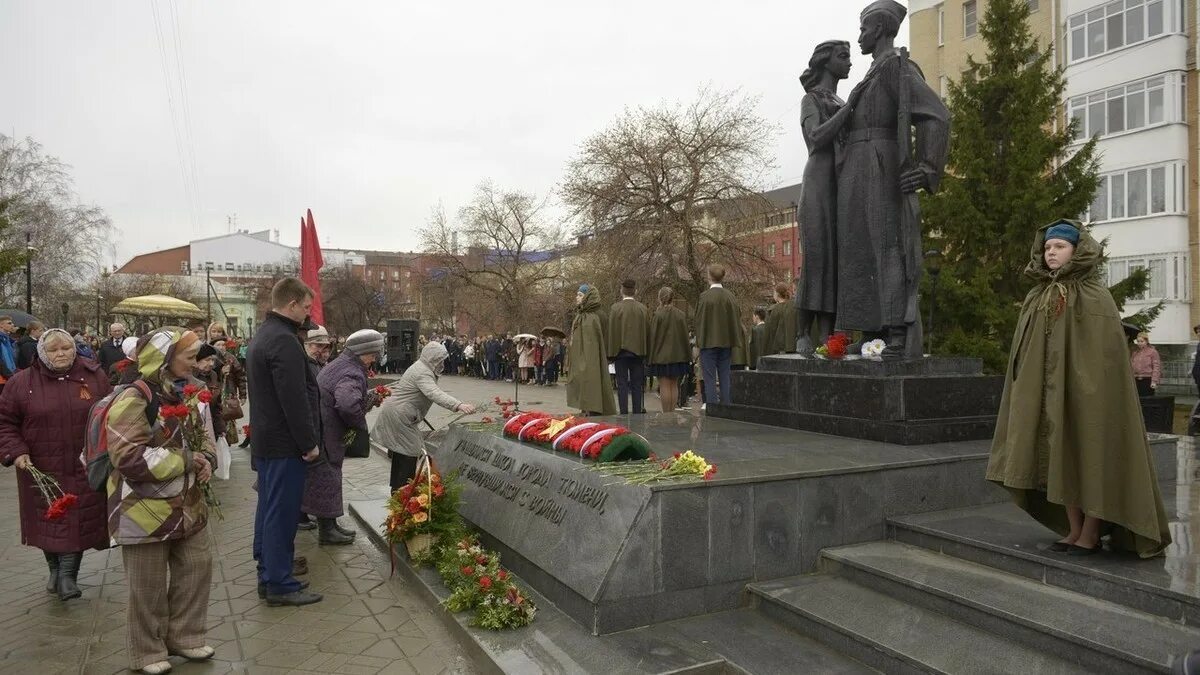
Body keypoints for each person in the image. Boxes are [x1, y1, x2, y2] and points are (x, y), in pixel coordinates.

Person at [987, 220, 1171, 558]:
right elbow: (1026, 352)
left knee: (1091, 454)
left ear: (1076, 250)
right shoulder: (1037, 296)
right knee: (1061, 457)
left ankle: (1091, 531)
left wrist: (1085, 387)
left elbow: (1105, 356)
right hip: (1048, 394)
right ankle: (1074, 529)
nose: (1052, 253)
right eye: (1047, 247)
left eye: (1060, 246)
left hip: (1089, 395)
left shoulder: (1095, 296)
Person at [837, 0, 949, 358]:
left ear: (881, 29)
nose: (859, 37)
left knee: (886, 245)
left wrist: (928, 166)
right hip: (858, 167)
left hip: (880, 164)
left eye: (864, 30)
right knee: (861, 249)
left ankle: (896, 332)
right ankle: (871, 330)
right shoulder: (873, 73)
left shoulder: (896, 69)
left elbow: (936, 114)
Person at [107, 328, 218, 674]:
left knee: (196, 569)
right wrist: (187, 460)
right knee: (147, 585)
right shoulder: (133, 398)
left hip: (188, 504)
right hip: (142, 510)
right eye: (189, 356)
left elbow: (207, 437)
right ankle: (146, 651)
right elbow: (127, 458)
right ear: (165, 360)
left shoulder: (194, 391)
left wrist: (208, 461)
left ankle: (185, 636)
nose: (197, 362)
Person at [0, 329, 112, 601]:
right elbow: (5, 423)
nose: (61, 354)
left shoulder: (94, 376)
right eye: (54, 350)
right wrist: (16, 451)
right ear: (41, 352)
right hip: (39, 468)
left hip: (83, 465)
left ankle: (67, 578)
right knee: (49, 520)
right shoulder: (21, 382)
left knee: (78, 519)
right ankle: (55, 570)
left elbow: (111, 413)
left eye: (66, 348)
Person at [246, 278, 322, 607]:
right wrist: (309, 443)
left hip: (267, 441)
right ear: (291, 305)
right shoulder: (285, 342)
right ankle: (279, 582)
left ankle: (268, 572)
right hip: (284, 445)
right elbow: (294, 399)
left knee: (268, 509)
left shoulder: (264, 335)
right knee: (282, 512)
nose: (308, 314)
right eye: (305, 307)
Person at [796, 40, 854, 354]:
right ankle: (803, 331)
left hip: (839, 186)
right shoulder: (811, 99)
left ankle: (828, 337)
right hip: (817, 184)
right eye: (843, 56)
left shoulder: (841, 99)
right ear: (826, 62)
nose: (849, 62)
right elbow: (815, 138)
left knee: (836, 261)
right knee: (816, 258)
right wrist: (848, 110)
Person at [307, 329, 384, 545]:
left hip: (321, 429)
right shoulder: (352, 371)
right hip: (327, 432)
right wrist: (359, 424)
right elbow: (347, 405)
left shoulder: (341, 364)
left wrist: (367, 399)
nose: (374, 358)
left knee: (327, 479)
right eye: (372, 353)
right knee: (328, 479)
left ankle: (330, 526)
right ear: (362, 352)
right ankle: (327, 532)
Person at [375, 342, 475, 491]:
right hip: (401, 418)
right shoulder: (422, 372)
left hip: (401, 416)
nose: (442, 363)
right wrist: (458, 405)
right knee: (408, 454)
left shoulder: (421, 367)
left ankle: (398, 491)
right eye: (439, 360)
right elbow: (433, 393)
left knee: (401, 454)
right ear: (432, 358)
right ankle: (403, 493)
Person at [298, 326, 331, 532]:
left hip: (316, 425)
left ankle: (302, 512)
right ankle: (299, 513)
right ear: (307, 345)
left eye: (324, 346)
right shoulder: (306, 365)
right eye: (318, 345)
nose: (321, 349)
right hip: (308, 428)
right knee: (305, 474)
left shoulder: (316, 364)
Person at [695, 264, 743, 407]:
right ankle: (726, 407)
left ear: (709, 276)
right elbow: (736, 318)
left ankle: (713, 408)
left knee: (709, 378)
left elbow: (699, 320)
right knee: (725, 376)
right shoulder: (730, 296)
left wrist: (699, 341)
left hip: (708, 343)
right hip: (726, 342)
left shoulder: (704, 297)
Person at [567, 284, 617, 416]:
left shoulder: (599, 314)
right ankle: (585, 409)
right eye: (577, 295)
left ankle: (595, 410)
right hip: (580, 357)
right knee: (582, 384)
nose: (577, 297)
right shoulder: (579, 315)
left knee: (594, 383)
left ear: (588, 297)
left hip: (596, 357)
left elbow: (605, 335)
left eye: (580, 295)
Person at [608, 279, 651, 415]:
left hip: (621, 353)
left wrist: (611, 354)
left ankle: (623, 412)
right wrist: (647, 353)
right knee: (637, 385)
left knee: (622, 384)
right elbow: (648, 332)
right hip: (638, 353)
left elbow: (612, 332)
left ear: (622, 291)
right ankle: (637, 413)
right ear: (635, 291)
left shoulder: (615, 308)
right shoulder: (643, 309)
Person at [648, 287, 689, 413]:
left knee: (664, 385)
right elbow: (685, 337)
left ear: (660, 298)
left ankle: (666, 414)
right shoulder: (681, 315)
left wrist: (650, 357)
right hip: (678, 355)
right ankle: (672, 412)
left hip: (661, 356)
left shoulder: (658, 315)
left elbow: (653, 336)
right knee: (674, 385)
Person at [765, 283, 799, 356]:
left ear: (777, 294)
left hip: (779, 347)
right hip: (795, 346)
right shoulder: (795, 307)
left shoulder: (773, 309)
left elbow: (770, 331)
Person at [1131, 332, 1162, 398]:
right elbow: (1132, 366)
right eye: (1138, 341)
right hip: (1136, 380)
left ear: (1146, 341)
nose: (1139, 343)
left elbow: (1156, 367)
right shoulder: (1135, 353)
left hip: (1147, 380)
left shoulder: (1153, 352)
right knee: (1138, 402)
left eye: (1142, 341)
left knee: (1147, 402)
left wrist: (1154, 381)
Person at [0, 315, 17, 387]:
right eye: (9, 323)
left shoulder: (7, 339)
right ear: (1, 325)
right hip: (3, 378)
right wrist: (9, 375)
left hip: (10, 375)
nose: (12, 325)